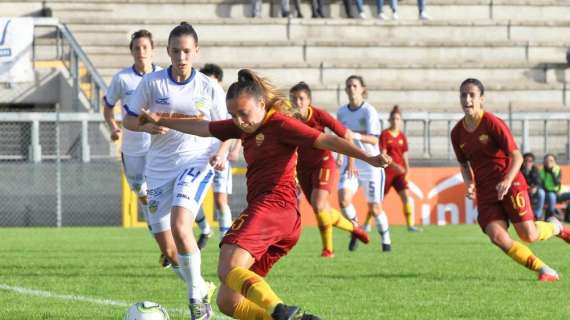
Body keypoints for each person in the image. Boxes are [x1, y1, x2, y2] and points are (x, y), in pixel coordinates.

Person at [138, 69, 391, 320]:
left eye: (243, 114)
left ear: (261, 103)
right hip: (283, 219)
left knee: (228, 267)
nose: (239, 121)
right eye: (233, 115)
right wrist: (159, 119)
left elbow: (326, 140)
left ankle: (280, 311)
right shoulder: (245, 126)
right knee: (228, 301)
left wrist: (367, 156)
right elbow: (203, 127)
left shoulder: (280, 124)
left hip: (273, 207)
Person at [123, 22, 232, 319]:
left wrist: (222, 152)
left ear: (195, 51)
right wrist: (146, 123)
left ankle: (197, 302)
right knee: (169, 249)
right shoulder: (152, 83)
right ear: (167, 52)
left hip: (196, 162)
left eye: (186, 51)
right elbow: (129, 121)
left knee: (181, 225)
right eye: (175, 51)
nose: (181, 57)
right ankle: (200, 285)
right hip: (158, 169)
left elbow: (230, 130)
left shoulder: (208, 87)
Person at [450, 78, 570, 282]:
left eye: (472, 95)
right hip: (486, 191)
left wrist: (506, 180)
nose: (467, 99)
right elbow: (464, 165)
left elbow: (517, 156)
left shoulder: (491, 123)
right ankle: (545, 270)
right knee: (498, 237)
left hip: (510, 182)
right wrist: (469, 184)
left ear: (482, 99)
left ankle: (556, 227)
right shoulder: (457, 133)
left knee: (529, 236)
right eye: (463, 95)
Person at [102, 30, 173, 267]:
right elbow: (108, 107)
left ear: (152, 50)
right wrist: (113, 127)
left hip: (159, 148)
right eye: (136, 48)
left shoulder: (164, 77)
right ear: (131, 52)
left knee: (157, 198)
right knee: (144, 197)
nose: (141, 52)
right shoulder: (122, 79)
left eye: (145, 47)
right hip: (132, 148)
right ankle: (166, 245)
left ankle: (169, 247)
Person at [289, 82, 369, 258]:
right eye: (293, 98)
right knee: (322, 209)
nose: (297, 102)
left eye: (301, 98)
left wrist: (351, 162)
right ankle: (354, 228)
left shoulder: (319, 116)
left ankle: (328, 250)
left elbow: (346, 135)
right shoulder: (287, 119)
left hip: (323, 162)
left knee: (318, 204)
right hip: (302, 168)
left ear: (308, 100)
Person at [337, 75, 392, 252]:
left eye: (354, 85)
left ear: (362, 89)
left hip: (371, 164)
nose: (351, 89)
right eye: (348, 86)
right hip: (351, 162)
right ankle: (357, 229)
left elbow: (374, 140)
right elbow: (341, 138)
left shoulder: (369, 111)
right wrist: (339, 154)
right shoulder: (341, 112)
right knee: (344, 200)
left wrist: (356, 136)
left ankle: (386, 241)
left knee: (375, 209)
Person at [200, 63, 242, 239]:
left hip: (220, 157)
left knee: (220, 200)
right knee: (192, 201)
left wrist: (231, 150)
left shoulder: (226, 103)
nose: (209, 85)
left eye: (213, 82)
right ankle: (204, 229)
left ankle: (225, 238)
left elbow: (237, 126)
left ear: (219, 82)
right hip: (199, 156)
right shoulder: (198, 102)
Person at [365, 105, 419, 231]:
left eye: (398, 119)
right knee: (377, 200)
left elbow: (405, 155)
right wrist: (395, 166)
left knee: (406, 196)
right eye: (394, 118)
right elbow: (383, 154)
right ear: (390, 120)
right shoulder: (385, 135)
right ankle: (367, 223)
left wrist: (407, 170)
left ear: (400, 121)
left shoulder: (402, 136)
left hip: (400, 173)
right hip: (387, 172)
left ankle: (410, 225)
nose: (396, 121)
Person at [540, 153, 570, 221]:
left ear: (555, 162)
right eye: (547, 161)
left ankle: (567, 217)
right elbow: (542, 187)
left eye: (551, 161)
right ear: (544, 162)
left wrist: (552, 172)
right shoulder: (541, 172)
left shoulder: (557, 169)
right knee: (551, 196)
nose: (549, 163)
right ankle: (549, 218)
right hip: (548, 193)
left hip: (559, 193)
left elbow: (557, 183)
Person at [520, 152, 545, 220]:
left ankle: (537, 215)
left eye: (530, 161)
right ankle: (522, 215)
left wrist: (535, 188)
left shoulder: (535, 170)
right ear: (523, 161)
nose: (528, 163)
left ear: (533, 162)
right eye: (526, 161)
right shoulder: (519, 170)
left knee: (541, 193)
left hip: (533, 190)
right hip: (523, 190)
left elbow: (539, 182)